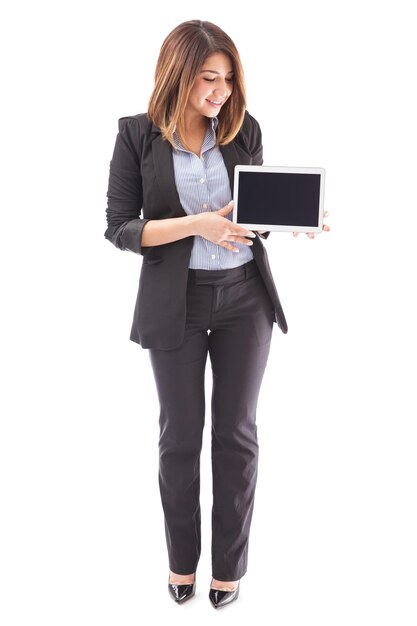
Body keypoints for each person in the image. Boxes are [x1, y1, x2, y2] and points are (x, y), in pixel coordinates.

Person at [104, 19, 330, 610]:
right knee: (180, 437)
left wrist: (295, 219)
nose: (221, 91)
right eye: (209, 78)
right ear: (178, 75)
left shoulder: (243, 129)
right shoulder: (136, 136)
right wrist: (197, 225)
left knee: (236, 436)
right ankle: (182, 563)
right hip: (174, 302)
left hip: (244, 298)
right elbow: (121, 229)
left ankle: (229, 569)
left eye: (228, 78)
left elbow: (249, 213)